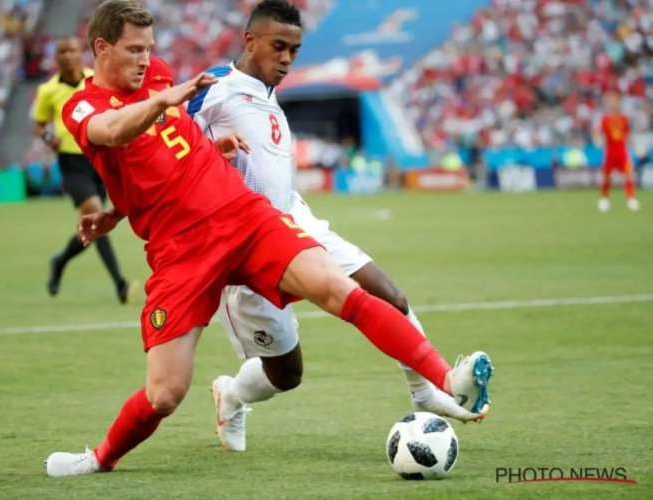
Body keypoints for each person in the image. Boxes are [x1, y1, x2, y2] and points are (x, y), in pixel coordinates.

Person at [44, 0, 494, 478]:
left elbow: (166, 150)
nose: (146, 59)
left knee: (341, 290)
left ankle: (446, 379)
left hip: (242, 215)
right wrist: (160, 106)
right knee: (165, 394)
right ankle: (100, 458)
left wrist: (208, 148)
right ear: (101, 48)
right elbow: (115, 132)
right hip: (181, 250)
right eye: (134, 50)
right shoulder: (83, 106)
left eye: (149, 49)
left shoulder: (157, 74)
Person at [187, 0, 486, 454]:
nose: (287, 59)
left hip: (296, 219)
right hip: (245, 243)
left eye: (294, 50)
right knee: (286, 374)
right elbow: (169, 149)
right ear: (249, 41)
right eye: (278, 46)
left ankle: (425, 391)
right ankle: (231, 394)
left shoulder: (267, 92)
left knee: (389, 295)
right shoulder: (213, 88)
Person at [33, 36, 137, 302]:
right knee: (95, 212)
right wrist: (49, 138)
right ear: (56, 57)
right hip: (72, 163)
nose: (67, 56)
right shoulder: (48, 90)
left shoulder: (96, 79)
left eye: (72, 50)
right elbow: (40, 126)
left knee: (93, 225)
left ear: (81, 53)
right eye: (62, 51)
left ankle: (59, 261)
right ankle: (120, 284)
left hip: (100, 158)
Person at [596, 91, 640, 212]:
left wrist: (636, 148)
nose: (614, 104)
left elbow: (628, 135)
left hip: (622, 152)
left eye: (616, 101)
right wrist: (598, 140)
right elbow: (598, 132)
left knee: (629, 174)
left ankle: (630, 199)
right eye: (612, 101)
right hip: (610, 153)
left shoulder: (624, 119)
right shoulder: (605, 119)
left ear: (619, 103)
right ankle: (604, 199)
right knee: (606, 177)